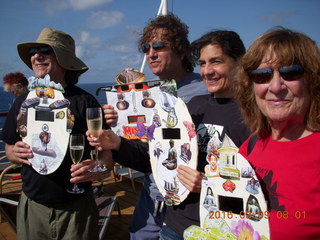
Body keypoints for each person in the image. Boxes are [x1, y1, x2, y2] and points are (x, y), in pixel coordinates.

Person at [88, 30, 250, 239]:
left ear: (239, 63)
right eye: (202, 63)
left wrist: (210, 185)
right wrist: (117, 143)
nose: (207, 71)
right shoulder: (195, 106)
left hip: (220, 227)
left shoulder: (252, 115)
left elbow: (259, 186)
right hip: (175, 224)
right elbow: (160, 156)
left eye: (216, 62)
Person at [104, 13, 207, 240]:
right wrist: (116, 125)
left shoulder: (204, 91)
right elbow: (144, 142)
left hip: (189, 202)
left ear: (181, 51)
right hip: (152, 192)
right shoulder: (147, 95)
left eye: (159, 46)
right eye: (147, 47)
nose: (151, 53)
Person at [0, 27, 111, 239]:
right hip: (33, 206)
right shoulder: (23, 100)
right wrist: (15, 152)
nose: (36, 55)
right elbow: (9, 147)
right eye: (33, 50)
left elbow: (107, 154)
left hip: (76, 208)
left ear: (64, 59)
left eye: (45, 50)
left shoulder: (85, 102)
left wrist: (100, 168)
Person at [234, 27, 320, 240]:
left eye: (290, 73)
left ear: (312, 80)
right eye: (262, 75)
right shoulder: (251, 145)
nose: (275, 86)